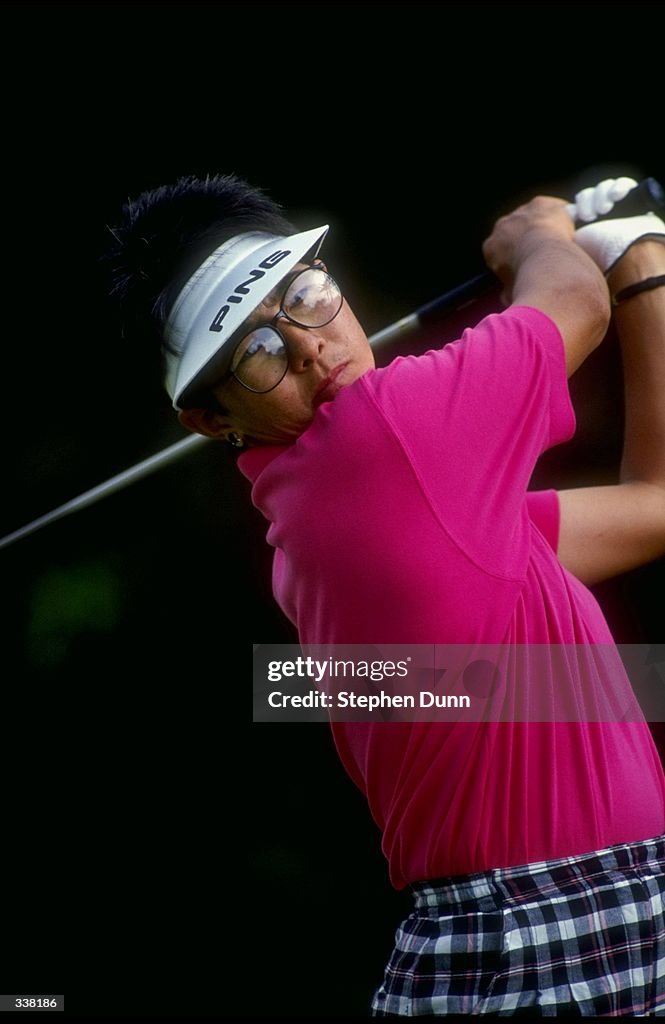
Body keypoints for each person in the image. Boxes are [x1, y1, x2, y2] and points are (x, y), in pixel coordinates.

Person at [107, 172, 665, 1015]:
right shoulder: (381, 439)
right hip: (544, 930)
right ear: (211, 419)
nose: (306, 348)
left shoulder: (358, 520)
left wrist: (639, 263)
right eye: (255, 352)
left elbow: (653, 506)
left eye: (304, 296)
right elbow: (572, 302)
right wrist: (536, 234)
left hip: (555, 923)